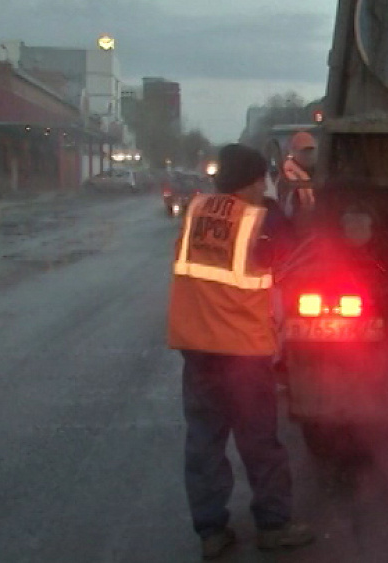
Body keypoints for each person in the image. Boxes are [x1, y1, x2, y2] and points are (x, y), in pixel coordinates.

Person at [167, 143, 310, 559]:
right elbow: (293, 246)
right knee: (259, 441)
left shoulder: (195, 211)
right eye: (261, 180)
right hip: (242, 354)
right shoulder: (260, 221)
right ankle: (273, 525)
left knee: (205, 443)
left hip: (196, 350)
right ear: (250, 182)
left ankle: (212, 531)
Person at [278, 131, 317, 230]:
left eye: (310, 151)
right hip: (293, 230)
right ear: (293, 152)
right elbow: (283, 210)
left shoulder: (320, 174)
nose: (308, 155)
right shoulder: (286, 179)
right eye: (303, 151)